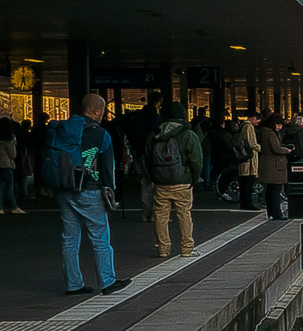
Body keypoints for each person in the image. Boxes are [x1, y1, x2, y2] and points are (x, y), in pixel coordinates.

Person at [45, 95, 128, 294]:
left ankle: (73, 284)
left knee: (69, 238)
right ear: (97, 111)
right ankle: (107, 281)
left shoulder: (62, 128)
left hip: (64, 189)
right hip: (89, 189)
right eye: (103, 111)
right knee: (100, 237)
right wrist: (111, 195)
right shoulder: (100, 133)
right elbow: (109, 169)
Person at [144, 101, 204, 258]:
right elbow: (196, 160)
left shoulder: (154, 134)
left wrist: (153, 178)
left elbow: (146, 159)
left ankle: (162, 249)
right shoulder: (187, 134)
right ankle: (186, 248)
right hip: (182, 181)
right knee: (184, 214)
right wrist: (194, 178)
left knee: (160, 215)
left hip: (160, 183)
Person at [257, 113, 295, 220]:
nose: (280, 127)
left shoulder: (264, 132)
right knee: (276, 189)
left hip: (268, 163)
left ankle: (271, 213)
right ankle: (276, 213)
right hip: (274, 164)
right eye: (278, 124)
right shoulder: (270, 134)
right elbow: (276, 149)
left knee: (270, 189)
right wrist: (286, 150)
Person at [0, 118, 24, 214]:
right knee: (9, 186)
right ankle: (13, 206)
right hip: (6, 163)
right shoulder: (9, 137)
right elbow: (12, 154)